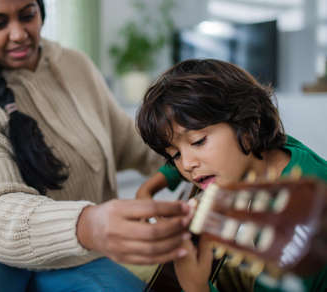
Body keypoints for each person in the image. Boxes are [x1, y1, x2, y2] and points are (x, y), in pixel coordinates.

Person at [0, 0, 194, 291]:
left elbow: (130, 142)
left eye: (27, 15)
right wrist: (89, 223)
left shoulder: (76, 65)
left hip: (73, 251)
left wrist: (197, 150)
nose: (19, 34)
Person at [136, 58, 327, 292]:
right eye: (175, 155)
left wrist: (196, 287)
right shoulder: (266, 153)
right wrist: (148, 189)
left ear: (249, 126)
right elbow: (181, 162)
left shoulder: (303, 211)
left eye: (198, 141)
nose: (186, 164)